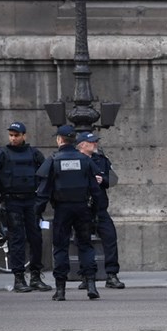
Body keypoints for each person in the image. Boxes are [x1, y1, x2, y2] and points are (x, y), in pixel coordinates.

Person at [34, 125, 102, 301]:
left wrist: (37, 212)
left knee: (61, 247)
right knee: (85, 245)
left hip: (62, 209)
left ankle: (61, 289)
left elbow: (43, 191)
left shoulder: (53, 160)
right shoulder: (85, 160)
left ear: (59, 140)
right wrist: (96, 211)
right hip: (82, 208)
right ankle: (91, 284)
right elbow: (95, 189)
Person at [0, 122, 52, 292]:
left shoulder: (34, 153)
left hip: (31, 202)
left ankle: (35, 276)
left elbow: (46, 178)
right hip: (11, 202)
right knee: (17, 240)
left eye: (16, 135)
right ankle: (19, 279)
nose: (13, 138)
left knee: (36, 239)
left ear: (24, 136)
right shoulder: (1, 154)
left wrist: (41, 201)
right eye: (11, 135)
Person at [75, 131, 125, 289]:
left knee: (110, 239)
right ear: (82, 145)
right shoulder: (74, 160)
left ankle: (111, 275)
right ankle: (86, 276)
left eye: (95, 141)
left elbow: (114, 180)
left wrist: (102, 180)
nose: (95, 144)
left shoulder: (102, 160)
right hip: (82, 209)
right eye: (92, 142)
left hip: (100, 209)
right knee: (82, 242)